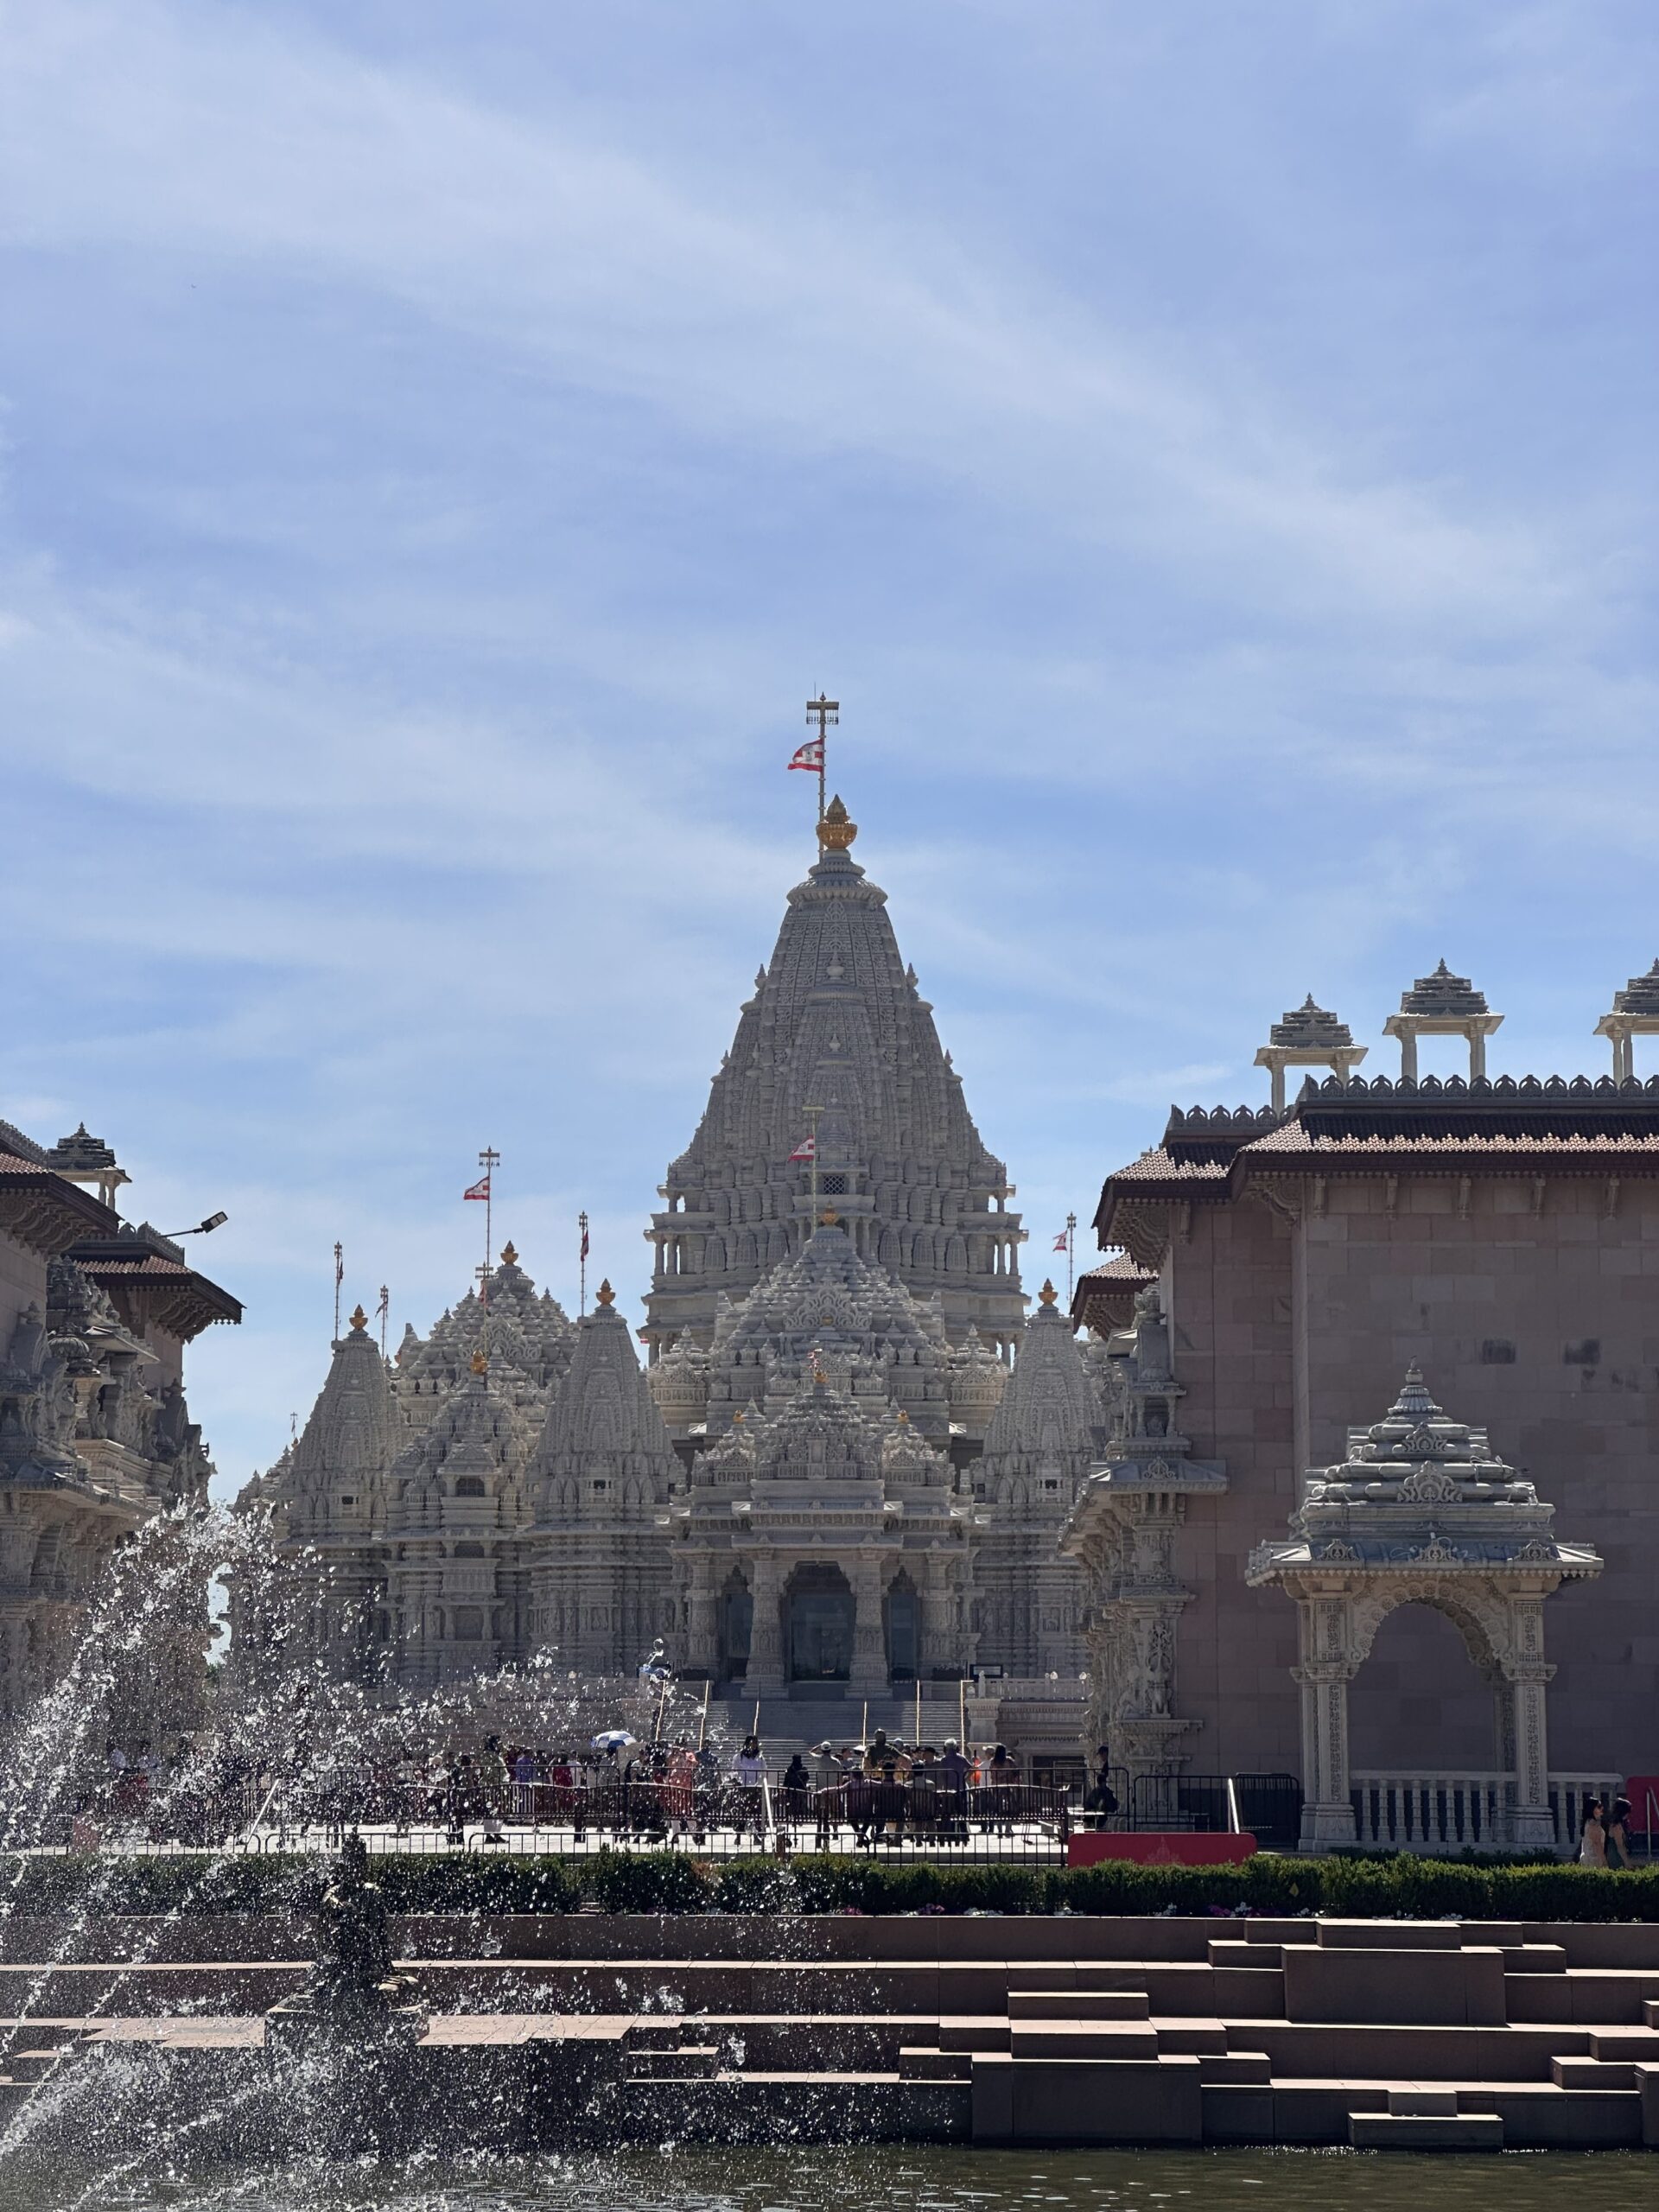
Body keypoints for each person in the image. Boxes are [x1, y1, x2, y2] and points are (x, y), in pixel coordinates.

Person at [1605, 1796, 1634, 1870]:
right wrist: (1627, 1863)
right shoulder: (1616, 1826)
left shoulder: (1617, 1824)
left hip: (1615, 1854)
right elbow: (1620, 1846)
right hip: (1616, 1856)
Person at [1579, 1797, 1608, 1867]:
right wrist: (1605, 1863)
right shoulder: (1593, 1825)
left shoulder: (1588, 1822)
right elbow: (1598, 1845)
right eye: (1599, 1807)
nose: (1602, 1808)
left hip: (1587, 1859)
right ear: (1592, 1809)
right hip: (1594, 1860)